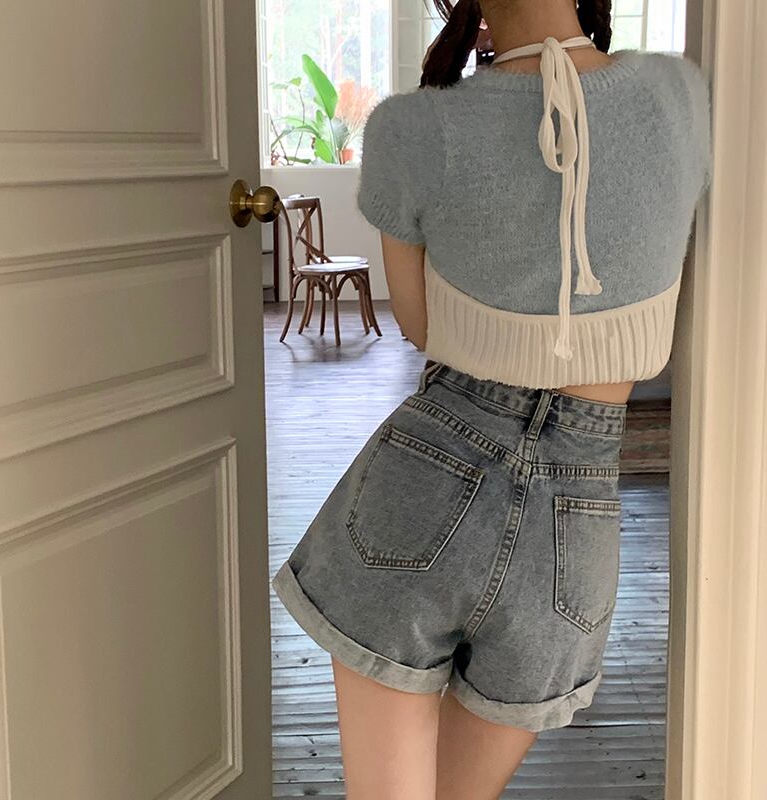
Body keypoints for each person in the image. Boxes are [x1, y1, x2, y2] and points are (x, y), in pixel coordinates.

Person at [272, 1, 712, 798]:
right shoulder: (677, 94)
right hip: (577, 520)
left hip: (428, 477)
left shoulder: (413, 127)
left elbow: (422, 328)